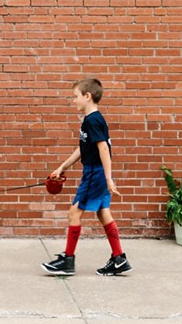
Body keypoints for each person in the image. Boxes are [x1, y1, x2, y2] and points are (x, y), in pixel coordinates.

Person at [41, 78, 130, 276]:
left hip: (94, 173)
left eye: (76, 96)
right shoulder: (91, 120)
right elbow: (83, 148)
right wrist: (62, 167)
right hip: (95, 172)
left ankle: (68, 261)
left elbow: (103, 149)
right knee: (103, 212)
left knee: (74, 213)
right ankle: (119, 259)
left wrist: (108, 178)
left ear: (87, 96)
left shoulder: (93, 120)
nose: (74, 101)